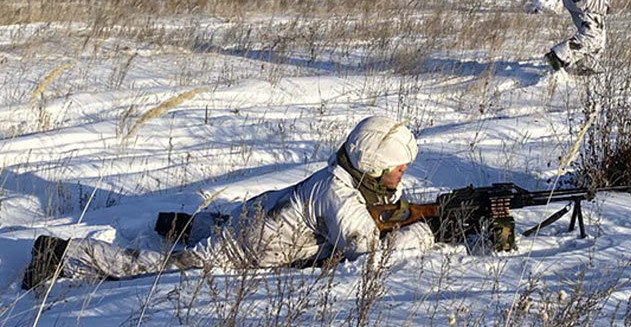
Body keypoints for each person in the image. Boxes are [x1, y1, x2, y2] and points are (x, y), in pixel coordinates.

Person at [22, 116, 434, 290]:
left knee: (218, 224)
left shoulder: (350, 179)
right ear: (373, 162)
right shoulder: (338, 192)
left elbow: (384, 213)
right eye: (397, 166)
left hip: (262, 215)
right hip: (248, 244)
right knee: (160, 268)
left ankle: (180, 224)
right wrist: (425, 234)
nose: (402, 173)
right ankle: (58, 253)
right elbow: (370, 257)